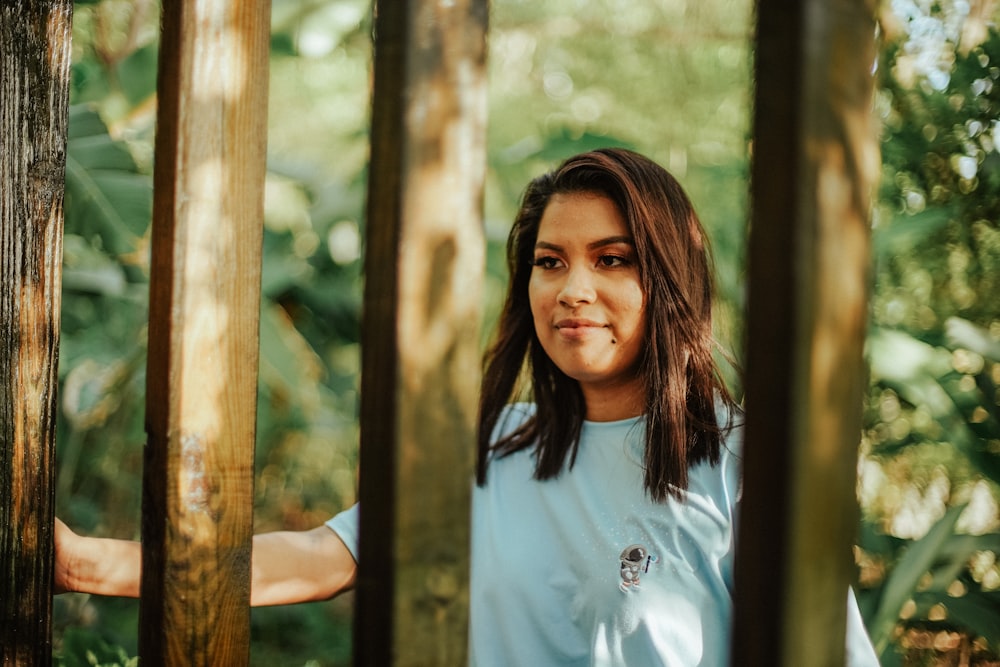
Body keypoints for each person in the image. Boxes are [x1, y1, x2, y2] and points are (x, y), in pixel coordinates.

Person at [56, 148, 879, 665]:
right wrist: (94, 564)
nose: (573, 289)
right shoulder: (491, 453)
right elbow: (320, 557)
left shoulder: (743, 463)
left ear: (668, 282)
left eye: (613, 259)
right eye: (550, 261)